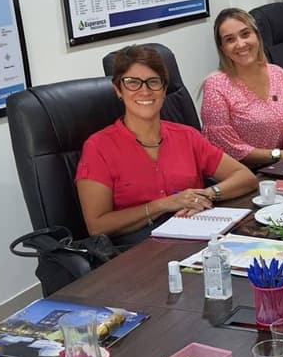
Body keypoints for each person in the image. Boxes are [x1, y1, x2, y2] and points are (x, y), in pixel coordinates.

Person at [76, 45, 257, 246]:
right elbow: (97, 225)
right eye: (132, 83)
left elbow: (246, 178)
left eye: (154, 82)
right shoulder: (98, 147)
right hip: (139, 252)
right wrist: (161, 205)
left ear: (163, 90)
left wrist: (206, 194)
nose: (144, 91)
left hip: (197, 240)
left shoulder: (187, 136)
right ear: (118, 90)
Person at [201, 8, 283, 168]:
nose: (240, 44)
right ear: (223, 49)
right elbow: (226, 148)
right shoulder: (215, 86)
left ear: (257, 35)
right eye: (230, 39)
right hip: (246, 175)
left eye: (245, 34)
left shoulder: (277, 73)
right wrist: (278, 155)